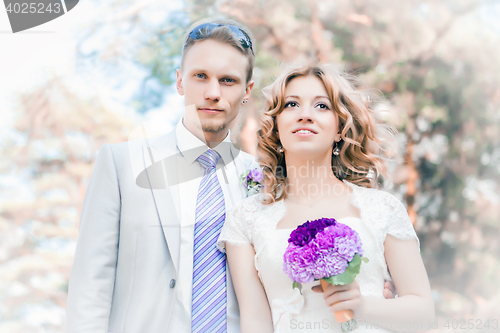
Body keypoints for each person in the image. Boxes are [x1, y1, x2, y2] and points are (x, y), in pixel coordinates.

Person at [66, 18, 258, 333]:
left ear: (247, 90)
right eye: (200, 76)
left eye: (227, 80)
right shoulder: (121, 163)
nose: (212, 92)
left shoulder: (264, 179)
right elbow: (92, 281)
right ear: (180, 81)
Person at [217, 63, 435, 333]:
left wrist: (363, 305)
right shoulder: (246, 218)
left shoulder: (382, 208)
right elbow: (254, 322)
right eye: (291, 105)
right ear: (275, 126)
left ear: (340, 128)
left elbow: (423, 315)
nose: (305, 115)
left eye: (322, 106)